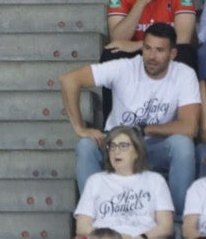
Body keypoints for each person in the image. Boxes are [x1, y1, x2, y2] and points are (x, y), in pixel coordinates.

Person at [64, 23, 199, 216]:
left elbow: (189, 127)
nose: (152, 56)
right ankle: (94, 220)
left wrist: (146, 129)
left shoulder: (184, 74)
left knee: (183, 145)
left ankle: (176, 222)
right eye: (147, 48)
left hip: (156, 147)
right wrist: (79, 128)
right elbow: (69, 80)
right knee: (85, 146)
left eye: (160, 50)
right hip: (117, 145)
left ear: (173, 54)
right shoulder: (125, 67)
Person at [74, 124, 175, 239]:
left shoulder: (155, 180)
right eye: (112, 146)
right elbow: (82, 227)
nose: (116, 151)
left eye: (123, 146)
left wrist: (142, 237)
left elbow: (166, 226)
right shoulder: (95, 181)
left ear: (137, 152)